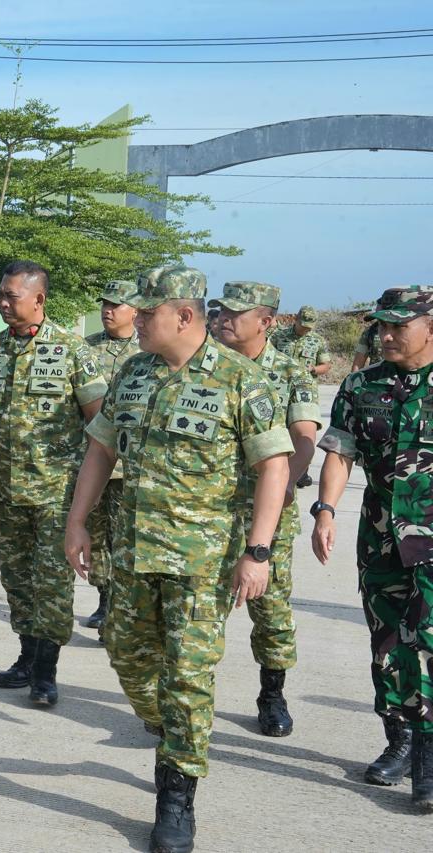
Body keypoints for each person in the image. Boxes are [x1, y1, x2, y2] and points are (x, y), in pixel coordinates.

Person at [65, 265, 292, 853]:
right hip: (133, 552)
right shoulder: (134, 374)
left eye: (146, 314)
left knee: (189, 679)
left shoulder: (241, 380)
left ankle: (176, 794)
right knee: (126, 656)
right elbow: (100, 448)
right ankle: (169, 728)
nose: (135, 322)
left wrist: (258, 552)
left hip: (203, 562)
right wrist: (77, 520)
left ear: (183, 316)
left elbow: (273, 467)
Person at [0, 260, 107, 706]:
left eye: (11, 295)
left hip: (59, 493)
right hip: (7, 489)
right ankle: (26, 656)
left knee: (52, 581)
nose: (2, 301)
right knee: (16, 577)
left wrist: (98, 495)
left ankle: (46, 672)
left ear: (38, 299)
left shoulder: (74, 353)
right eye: (1, 292)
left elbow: (100, 424)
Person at [312, 285, 433, 811]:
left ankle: (428, 757)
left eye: (397, 326)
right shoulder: (362, 384)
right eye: (380, 326)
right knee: (386, 638)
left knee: (426, 639)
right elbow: (341, 452)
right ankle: (399, 741)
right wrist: (325, 511)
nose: (384, 335)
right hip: (381, 534)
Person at [209, 281, 321, 738]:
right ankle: (186, 701)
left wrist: (286, 483)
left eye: (237, 313)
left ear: (267, 322)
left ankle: (272, 694)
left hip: (267, 512)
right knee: (197, 607)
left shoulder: (292, 373)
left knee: (270, 608)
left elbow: (305, 436)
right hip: (209, 510)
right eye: (220, 312)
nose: (224, 320)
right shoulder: (203, 367)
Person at [81, 280, 141, 635]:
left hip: (130, 467)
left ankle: (122, 605)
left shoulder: (148, 353)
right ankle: (104, 599)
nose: (107, 310)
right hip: (94, 460)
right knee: (97, 534)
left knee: (125, 537)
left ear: (134, 311)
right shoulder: (85, 350)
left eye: (116, 305)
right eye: (105, 304)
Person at [271, 306, 330, 488]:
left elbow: (326, 365)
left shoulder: (318, 340)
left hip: (305, 392)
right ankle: (279, 467)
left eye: (309, 327)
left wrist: (313, 369)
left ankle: (301, 472)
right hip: (279, 389)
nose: (305, 330)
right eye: (303, 325)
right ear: (295, 319)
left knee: (304, 433)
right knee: (280, 428)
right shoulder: (278, 336)